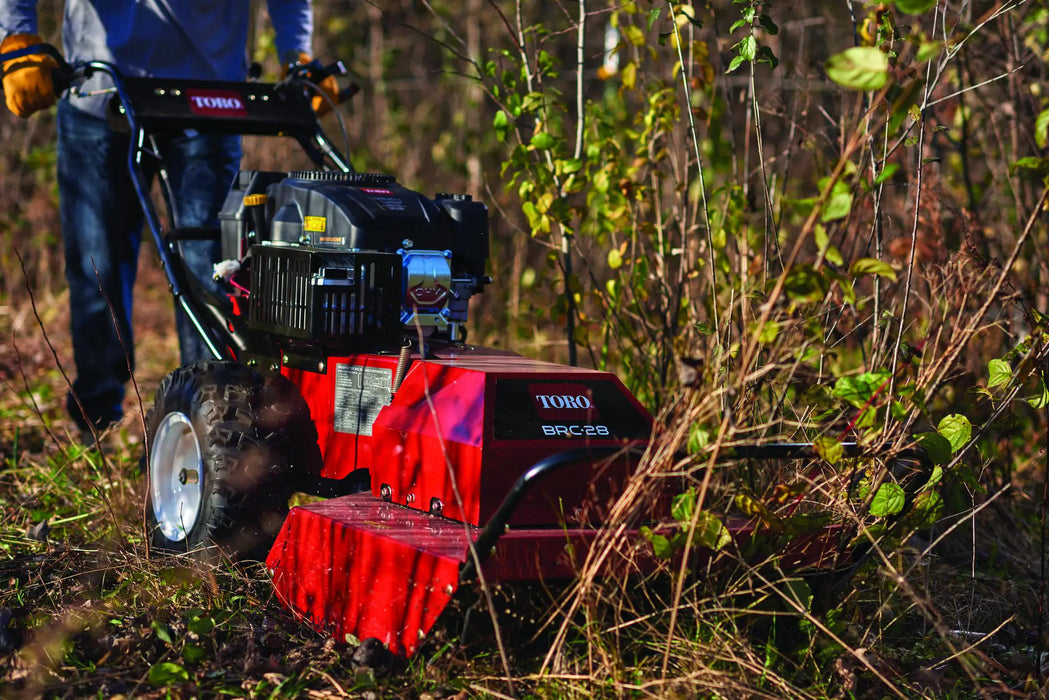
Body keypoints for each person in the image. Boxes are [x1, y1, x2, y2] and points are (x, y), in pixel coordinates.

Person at [0, 2, 337, 436]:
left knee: (214, 269)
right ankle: (98, 423)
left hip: (210, 100)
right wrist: (17, 38)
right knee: (96, 267)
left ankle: (209, 422)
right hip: (99, 95)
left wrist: (297, 54)